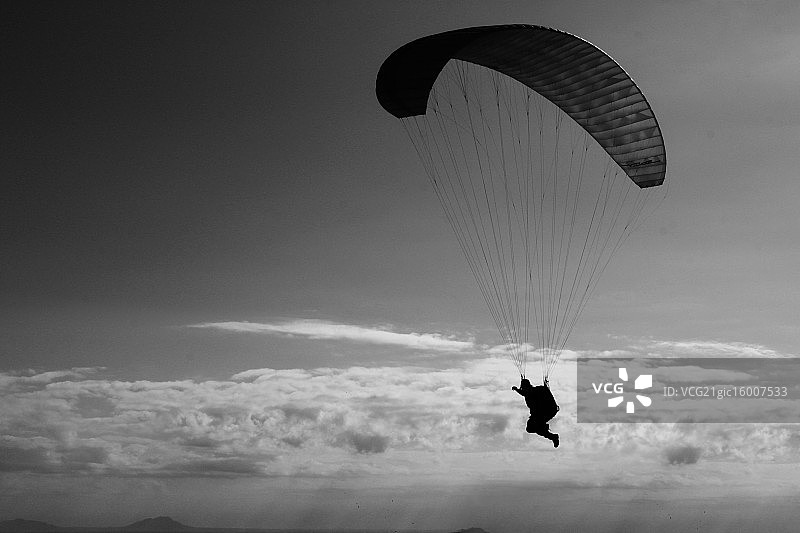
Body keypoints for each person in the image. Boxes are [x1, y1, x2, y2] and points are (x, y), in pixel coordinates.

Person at [512, 376, 560, 447]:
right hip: (543, 413)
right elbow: (524, 393)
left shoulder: (533, 391)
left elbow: (525, 393)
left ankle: (552, 435)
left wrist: (516, 389)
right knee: (532, 428)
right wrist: (516, 389)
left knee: (532, 428)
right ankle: (550, 434)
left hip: (545, 412)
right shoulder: (532, 391)